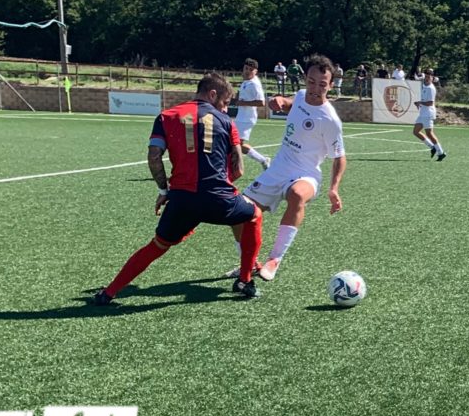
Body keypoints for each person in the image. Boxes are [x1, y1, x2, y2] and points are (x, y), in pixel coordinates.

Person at [92, 73, 264, 305]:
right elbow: (239, 170)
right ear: (212, 94)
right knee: (254, 215)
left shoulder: (166, 116)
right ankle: (244, 280)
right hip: (219, 199)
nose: (225, 108)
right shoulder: (226, 121)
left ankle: (109, 293)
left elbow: (154, 157)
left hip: (182, 201)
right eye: (224, 102)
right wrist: (222, 187)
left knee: (157, 245)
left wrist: (164, 191)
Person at [225, 55, 346, 283]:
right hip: (277, 170)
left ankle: (275, 259)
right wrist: (280, 100)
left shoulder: (330, 120)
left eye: (322, 84)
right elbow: (292, 102)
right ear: (305, 79)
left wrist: (334, 188)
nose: (315, 89)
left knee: (297, 194)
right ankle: (250, 263)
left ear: (331, 86)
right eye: (311, 82)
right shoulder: (300, 95)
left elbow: (340, 157)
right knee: (237, 214)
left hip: (306, 174)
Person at [235, 58, 271, 171]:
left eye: (251, 70)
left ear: (255, 71)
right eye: (246, 68)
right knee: (234, 143)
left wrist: (243, 103)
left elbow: (261, 102)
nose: (247, 71)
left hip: (247, 118)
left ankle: (263, 160)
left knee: (237, 144)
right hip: (241, 117)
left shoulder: (254, 84)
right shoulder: (246, 81)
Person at [410, 69, 446, 161]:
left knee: (429, 133)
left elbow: (430, 103)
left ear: (432, 78)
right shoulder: (424, 86)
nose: (427, 78)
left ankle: (441, 152)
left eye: (429, 77)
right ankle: (432, 147)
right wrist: (419, 103)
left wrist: (420, 102)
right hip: (423, 113)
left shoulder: (431, 88)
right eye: (426, 76)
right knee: (416, 132)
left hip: (428, 113)